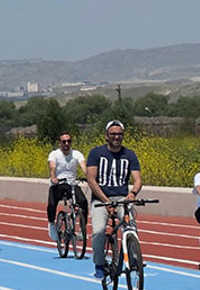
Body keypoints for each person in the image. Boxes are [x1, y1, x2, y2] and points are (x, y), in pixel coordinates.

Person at [86, 120, 142, 280]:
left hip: (121, 198)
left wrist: (132, 194)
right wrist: (105, 200)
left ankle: (133, 259)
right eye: (113, 134)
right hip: (100, 199)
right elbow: (91, 180)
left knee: (130, 225)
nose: (117, 137)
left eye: (120, 134)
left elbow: (138, 179)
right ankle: (99, 264)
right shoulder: (96, 153)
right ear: (106, 136)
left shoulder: (129, 155)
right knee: (98, 231)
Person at [46, 132, 88, 241]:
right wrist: (53, 177)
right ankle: (51, 224)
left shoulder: (77, 154)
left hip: (71, 184)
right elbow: (52, 167)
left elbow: (84, 167)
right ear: (59, 143)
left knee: (83, 202)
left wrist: (89, 176)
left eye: (69, 141)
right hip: (58, 183)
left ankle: (82, 229)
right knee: (51, 204)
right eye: (63, 141)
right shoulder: (54, 154)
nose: (66, 144)